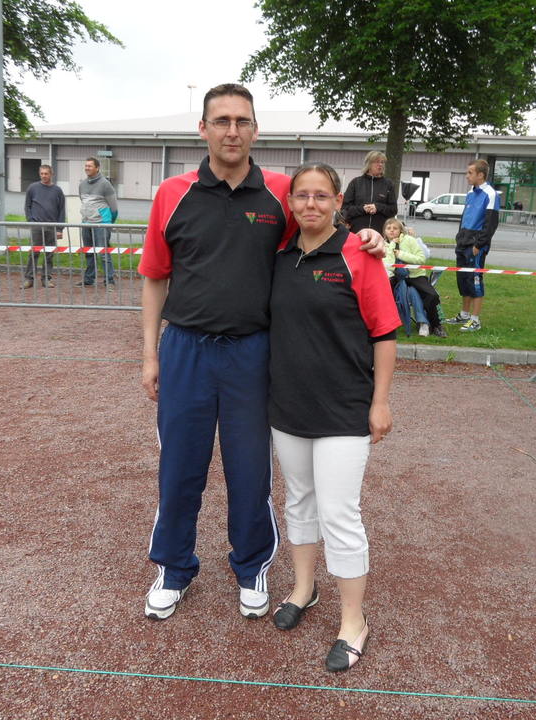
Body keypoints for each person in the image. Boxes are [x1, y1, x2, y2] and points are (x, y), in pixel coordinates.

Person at [138, 83, 383, 622]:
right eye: (221, 120)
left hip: (252, 352)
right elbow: (155, 279)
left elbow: (325, 229)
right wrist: (150, 356)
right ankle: (174, 569)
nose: (232, 130)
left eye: (242, 121)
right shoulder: (171, 194)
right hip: (185, 349)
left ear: (255, 129)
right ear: (202, 128)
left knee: (249, 468)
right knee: (180, 467)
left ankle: (251, 568)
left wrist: (369, 239)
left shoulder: (279, 192)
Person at [269, 162, 398, 672]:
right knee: (298, 499)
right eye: (301, 196)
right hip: (287, 403)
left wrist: (381, 401)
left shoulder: (357, 254)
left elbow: (385, 333)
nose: (310, 205)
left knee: (340, 514)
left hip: (344, 408)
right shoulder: (278, 254)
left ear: (338, 200)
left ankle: (354, 622)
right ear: (291, 202)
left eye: (321, 196)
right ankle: (304, 590)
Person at [445, 159, 500, 332]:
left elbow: (491, 224)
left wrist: (479, 245)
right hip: (463, 242)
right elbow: (465, 219)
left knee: (475, 280)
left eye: (470, 173)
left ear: (480, 175)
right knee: (463, 280)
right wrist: (459, 237)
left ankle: (475, 320)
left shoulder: (491, 194)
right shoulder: (470, 193)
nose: (466, 176)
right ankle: (464, 314)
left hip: (476, 245)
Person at [383, 217, 445, 337]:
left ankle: (436, 324)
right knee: (382, 295)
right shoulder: (384, 245)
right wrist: (392, 247)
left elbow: (421, 259)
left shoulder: (410, 240)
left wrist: (401, 254)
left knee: (432, 295)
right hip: (396, 277)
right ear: (384, 231)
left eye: (395, 228)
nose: (391, 231)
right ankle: (386, 325)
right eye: (388, 228)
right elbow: (389, 266)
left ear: (401, 230)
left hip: (415, 275)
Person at [23, 164, 65, 289]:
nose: (44, 176)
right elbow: (27, 206)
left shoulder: (57, 191)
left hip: (52, 227)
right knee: (33, 253)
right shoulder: (32, 188)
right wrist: (31, 221)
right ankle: (29, 279)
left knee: (49, 254)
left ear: (51, 174)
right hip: (37, 226)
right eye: (42, 173)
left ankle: (46, 278)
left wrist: (59, 228)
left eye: (46, 173)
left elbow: (61, 210)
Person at [77, 156, 117, 287]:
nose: (86, 168)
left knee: (104, 253)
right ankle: (89, 279)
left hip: (101, 224)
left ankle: (109, 280)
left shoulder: (105, 184)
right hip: (86, 223)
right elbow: (84, 202)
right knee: (89, 252)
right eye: (86, 165)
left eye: (90, 166)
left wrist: (108, 223)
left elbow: (114, 207)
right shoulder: (82, 184)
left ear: (97, 168)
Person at [341, 150, 397, 236]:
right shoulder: (355, 183)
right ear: (369, 164)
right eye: (377, 162)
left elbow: (393, 210)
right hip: (356, 232)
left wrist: (378, 207)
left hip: (380, 233)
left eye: (382, 162)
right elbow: (345, 209)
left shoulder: (388, 184)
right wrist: (363, 209)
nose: (380, 165)